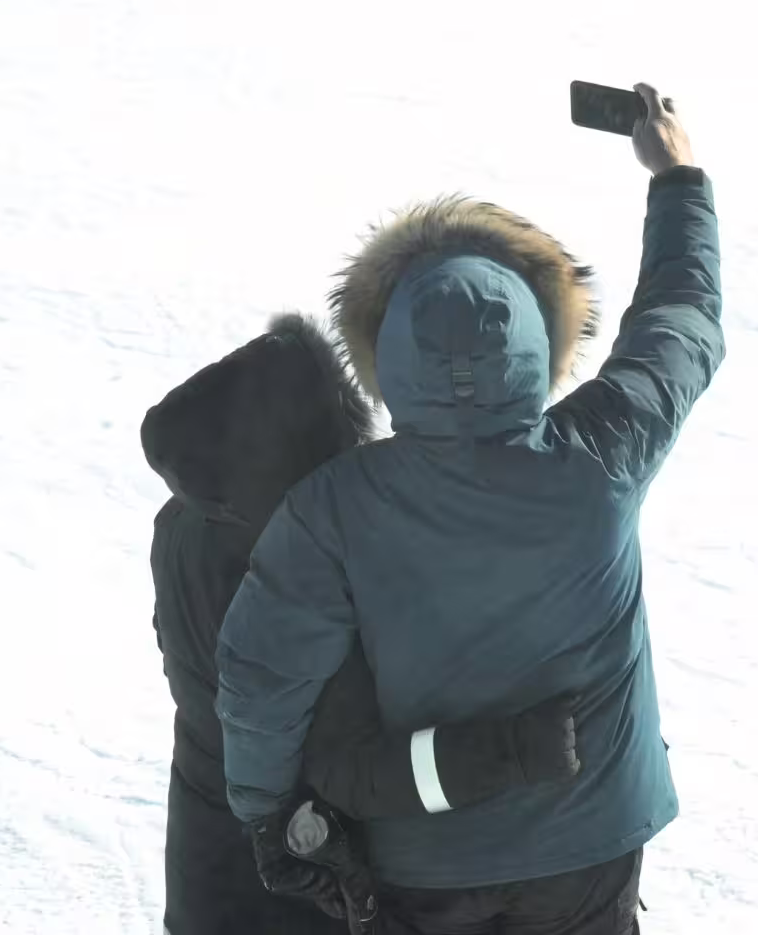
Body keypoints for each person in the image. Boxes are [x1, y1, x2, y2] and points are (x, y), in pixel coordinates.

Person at [215, 83, 721, 934]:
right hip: (588, 847)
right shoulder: (601, 454)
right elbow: (682, 319)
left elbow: (263, 679)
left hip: (421, 861)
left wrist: (270, 815)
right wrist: (678, 176)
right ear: (537, 337)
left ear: (386, 354)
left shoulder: (334, 508)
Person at [142, 312, 584, 935]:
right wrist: (515, 750)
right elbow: (355, 765)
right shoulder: (296, 584)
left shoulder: (185, 522)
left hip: (207, 856)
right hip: (297, 875)